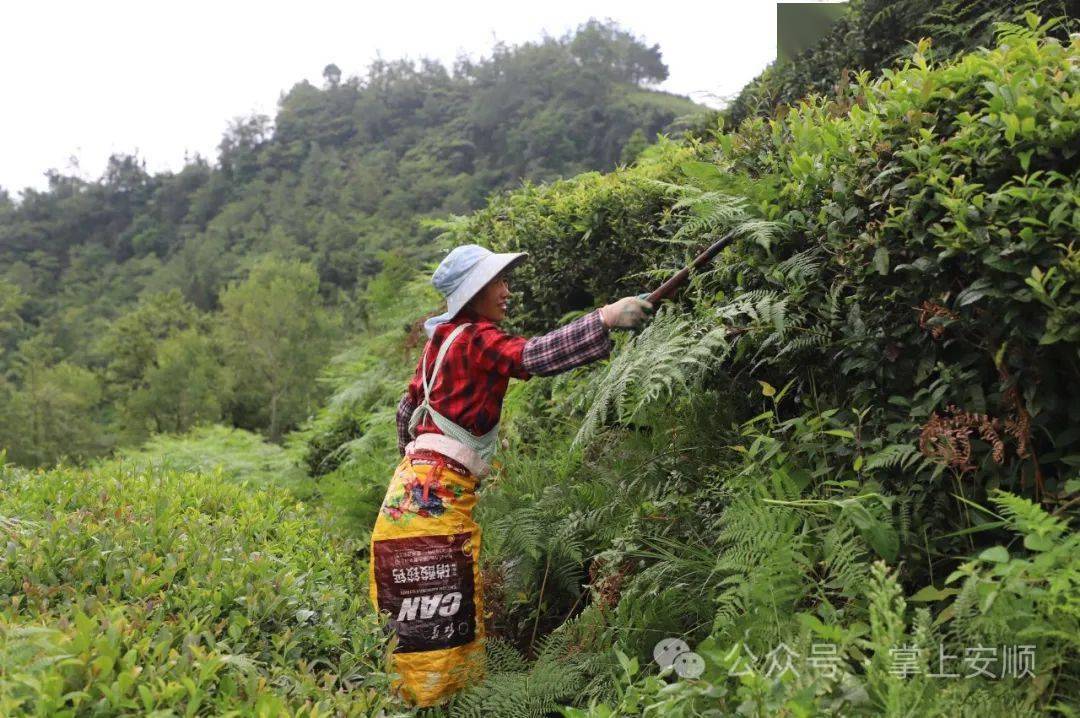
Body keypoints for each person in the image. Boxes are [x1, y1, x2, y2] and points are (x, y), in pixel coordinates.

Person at [368, 244, 652, 707]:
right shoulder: (476, 338)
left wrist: (420, 463)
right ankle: (452, 707)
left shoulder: (440, 342)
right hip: (433, 507)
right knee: (445, 615)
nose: (507, 291)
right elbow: (533, 356)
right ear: (474, 292)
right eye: (497, 282)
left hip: (406, 500)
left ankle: (419, 706)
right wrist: (604, 318)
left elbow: (406, 412)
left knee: (418, 618)